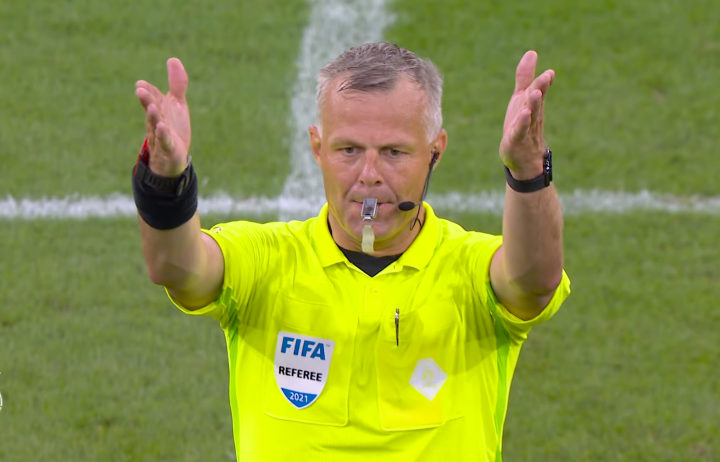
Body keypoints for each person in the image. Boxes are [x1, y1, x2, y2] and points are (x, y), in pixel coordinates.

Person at [132, 42, 571, 461]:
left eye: (394, 152)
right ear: (317, 149)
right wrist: (166, 181)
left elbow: (534, 280)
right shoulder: (264, 261)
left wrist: (528, 169)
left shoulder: (472, 269)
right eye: (349, 150)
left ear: (434, 153)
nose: (369, 174)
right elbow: (177, 267)